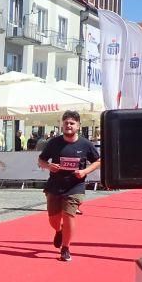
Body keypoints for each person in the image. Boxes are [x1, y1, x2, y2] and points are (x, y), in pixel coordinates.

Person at [38, 110, 101, 263]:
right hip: (55, 185)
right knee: (53, 219)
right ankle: (59, 230)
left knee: (69, 215)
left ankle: (65, 248)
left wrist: (84, 171)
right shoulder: (54, 143)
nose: (68, 125)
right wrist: (49, 166)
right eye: (66, 123)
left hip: (75, 186)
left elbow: (98, 161)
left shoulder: (85, 144)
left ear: (78, 126)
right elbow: (41, 160)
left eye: (72, 123)